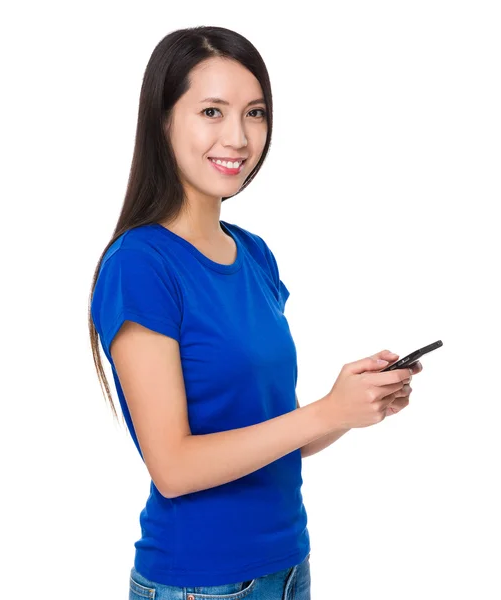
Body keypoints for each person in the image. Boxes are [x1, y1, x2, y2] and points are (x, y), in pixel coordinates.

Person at [88, 25, 421, 600]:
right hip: (202, 583)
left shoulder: (254, 254)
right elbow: (173, 466)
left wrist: (348, 406)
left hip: (288, 565)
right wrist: (321, 413)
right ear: (163, 120)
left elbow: (275, 433)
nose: (239, 137)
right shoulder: (140, 264)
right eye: (212, 111)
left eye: (255, 112)